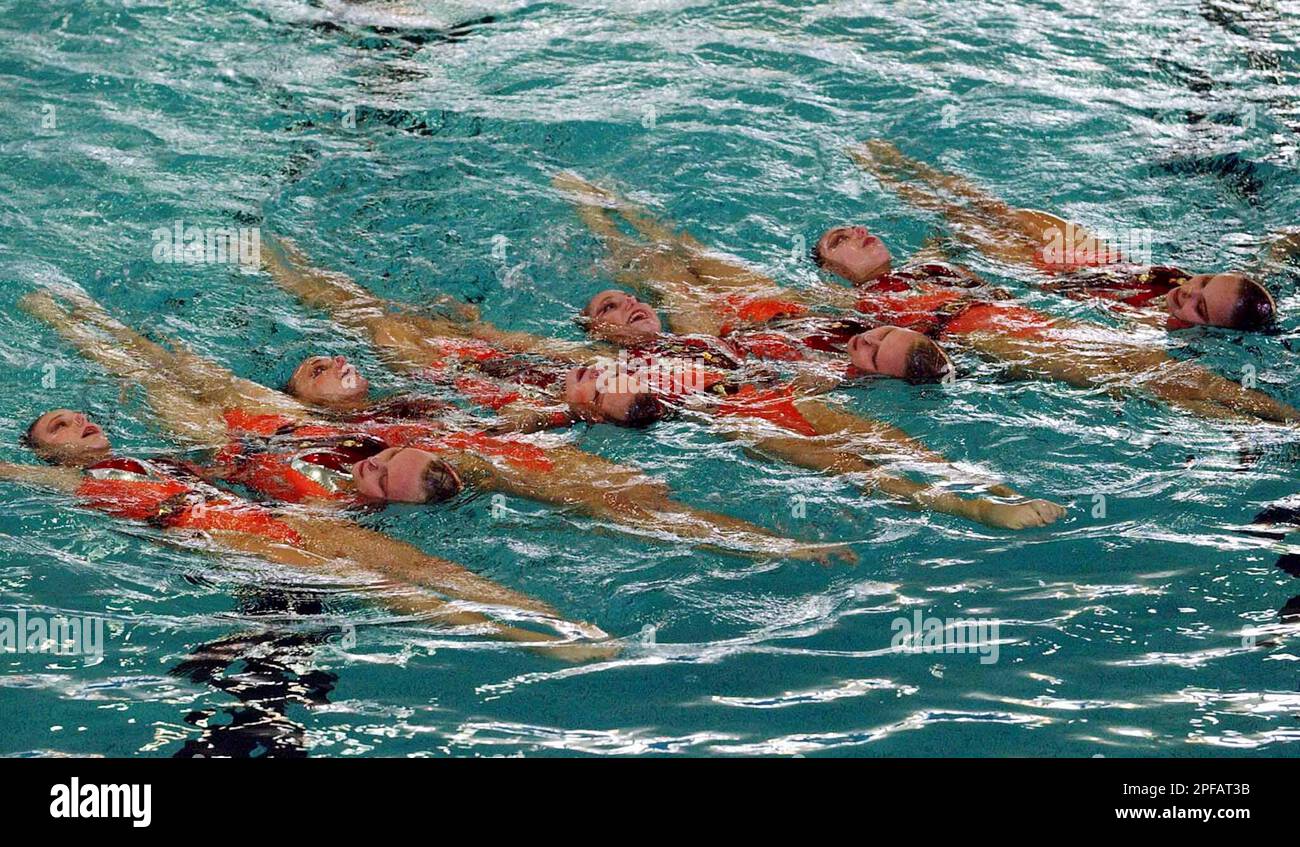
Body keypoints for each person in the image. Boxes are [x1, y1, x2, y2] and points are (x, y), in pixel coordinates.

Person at [262, 232, 1064, 532]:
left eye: (627, 298)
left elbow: (669, 263)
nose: (626, 304)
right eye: (608, 306)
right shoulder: (548, 384)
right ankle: (972, 499)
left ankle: (972, 492)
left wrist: (607, 219)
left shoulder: (705, 338)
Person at [22, 288, 844, 563]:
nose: (329, 362)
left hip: (457, 449)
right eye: (314, 368)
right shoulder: (275, 425)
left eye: (331, 359)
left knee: (621, 494)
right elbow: (163, 372)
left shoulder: (423, 400)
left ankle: (766, 535)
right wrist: (75, 319)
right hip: (301, 474)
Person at [550, 172, 1298, 424]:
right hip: (789, 332)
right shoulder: (733, 337)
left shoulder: (925, 292)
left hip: (895, 324)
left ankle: (596, 201)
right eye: (841, 240)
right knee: (670, 263)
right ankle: (596, 202)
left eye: (1199, 297)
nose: (858, 234)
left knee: (673, 264)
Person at [4, 411, 614, 662]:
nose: (81, 422)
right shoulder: (78, 485)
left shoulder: (155, 457)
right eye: (61, 425)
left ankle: (564, 625)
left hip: (269, 523)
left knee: (423, 569)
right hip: (225, 537)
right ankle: (533, 640)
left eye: (82, 415)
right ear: (46, 452)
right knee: (381, 582)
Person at [845, 140, 1282, 332]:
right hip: (1101, 259)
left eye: (1199, 306)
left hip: (1060, 281)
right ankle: (897, 164)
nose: (1187, 292)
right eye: (1201, 282)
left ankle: (887, 178)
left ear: (1206, 329)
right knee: (997, 209)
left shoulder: (1158, 329)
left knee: (964, 221)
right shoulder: (1182, 287)